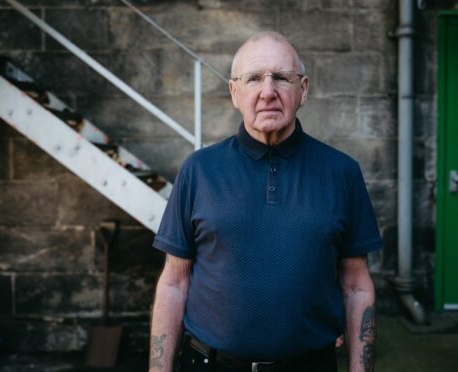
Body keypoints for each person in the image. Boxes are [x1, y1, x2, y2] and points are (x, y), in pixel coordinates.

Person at [149, 31, 383, 372]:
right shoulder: (199, 170)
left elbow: (357, 286)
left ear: (303, 89)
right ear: (234, 91)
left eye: (282, 78)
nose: (268, 92)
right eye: (254, 78)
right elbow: (173, 282)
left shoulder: (342, 173)